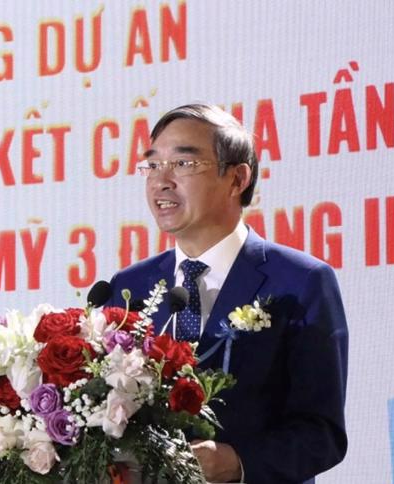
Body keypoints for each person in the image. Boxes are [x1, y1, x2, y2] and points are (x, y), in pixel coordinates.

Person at [107, 104, 348, 483]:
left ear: (237, 179)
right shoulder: (127, 288)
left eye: (183, 164)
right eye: (152, 165)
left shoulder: (300, 282)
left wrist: (238, 462)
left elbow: (322, 433)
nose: (161, 181)